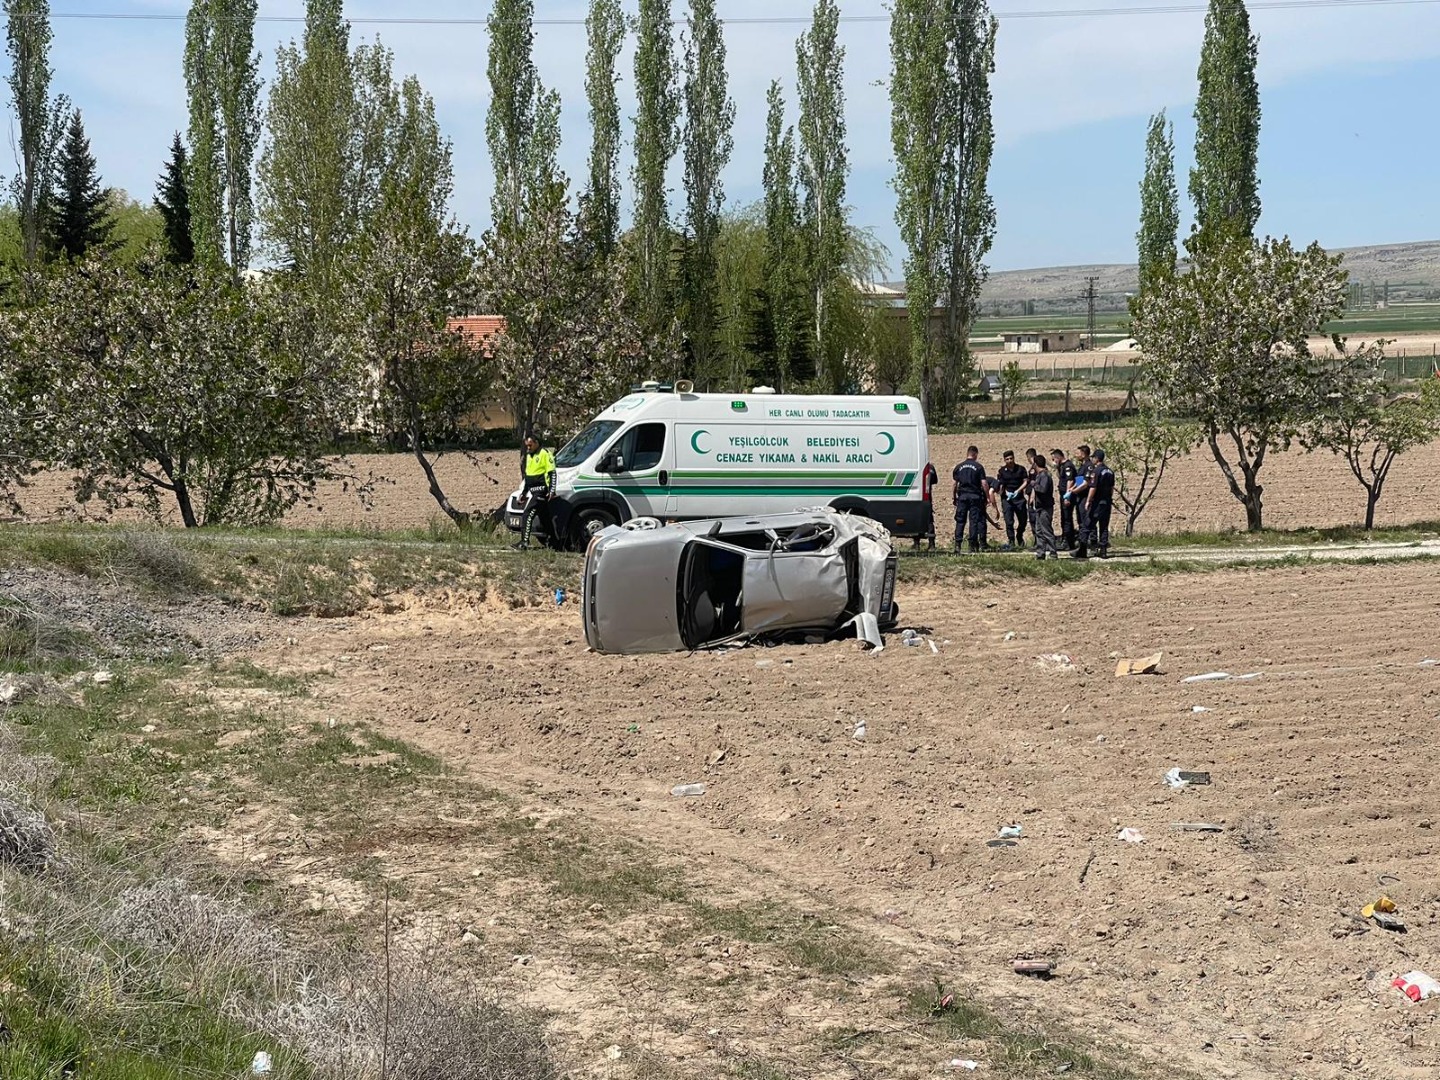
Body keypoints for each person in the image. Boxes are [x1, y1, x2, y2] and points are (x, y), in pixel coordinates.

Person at [516, 433, 556, 550]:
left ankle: (524, 542)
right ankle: (554, 542)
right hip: (533, 491)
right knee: (545, 519)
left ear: (536, 443)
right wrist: (523, 493)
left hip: (542, 491)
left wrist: (552, 490)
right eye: (527, 446)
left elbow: (552, 473)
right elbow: (529, 477)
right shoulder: (529, 456)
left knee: (527, 514)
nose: (528, 448)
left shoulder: (545, 453)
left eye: (530, 445)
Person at [952, 446, 987, 554]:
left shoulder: (959, 467)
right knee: (973, 522)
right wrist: (987, 497)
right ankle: (972, 546)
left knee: (960, 521)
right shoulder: (979, 467)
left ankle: (958, 545)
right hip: (975, 497)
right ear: (975, 454)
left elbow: (954, 484)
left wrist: (954, 497)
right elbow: (984, 483)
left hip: (962, 497)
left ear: (967, 453)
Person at [1084, 447, 1116, 559]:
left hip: (1097, 501)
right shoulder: (1110, 471)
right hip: (1107, 501)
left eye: (1093, 457)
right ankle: (1103, 550)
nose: (1092, 459)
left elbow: (1093, 487)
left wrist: (1088, 500)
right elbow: (1112, 488)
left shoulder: (1095, 471)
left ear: (1097, 459)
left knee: (1088, 524)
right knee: (1104, 525)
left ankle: (1082, 549)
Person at [994, 450, 1029, 551]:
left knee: (1023, 520)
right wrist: (1004, 492)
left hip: (1019, 498)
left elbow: (1025, 481)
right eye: (1007, 459)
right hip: (1007, 499)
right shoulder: (1002, 471)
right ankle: (1011, 540)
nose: (1009, 461)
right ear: (1004, 460)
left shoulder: (1021, 469)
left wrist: (1018, 491)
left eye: (1011, 458)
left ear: (1014, 458)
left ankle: (1019, 535)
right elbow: (1001, 485)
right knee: (1009, 521)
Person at [1030, 454, 1058, 560]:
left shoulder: (1045, 476)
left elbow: (1043, 489)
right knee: (1039, 531)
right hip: (1039, 507)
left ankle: (1053, 553)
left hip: (1045, 508)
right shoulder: (1039, 475)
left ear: (1036, 464)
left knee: (1046, 530)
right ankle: (1040, 552)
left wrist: (1034, 485)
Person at [1067, 444, 1093, 559]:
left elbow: (1086, 483)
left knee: (1086, 522)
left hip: (1085, 498)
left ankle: (1086, 548)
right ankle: (1082, 548)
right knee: (1081, 522)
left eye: (1078, 453)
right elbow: (1079, 481)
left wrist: (1074, 491)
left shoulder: (1089, 466)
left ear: (1083, 454)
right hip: (1079, 498)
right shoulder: (1081, 467)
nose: (1076, 455)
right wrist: (1071, 489)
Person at [1054, 448, 1078, 551]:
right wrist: (1056, 467)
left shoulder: (1068, 466)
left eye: (1054, 459)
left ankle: (1069, 542)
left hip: (1067, 495)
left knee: (1067, 519)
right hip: (1063, 494)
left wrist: (1067, 495)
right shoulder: (1062, 466)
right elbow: (1060, 477)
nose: (1054, 461)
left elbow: (1070, 480)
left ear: (1058, 457)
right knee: (1064, 518)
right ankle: (1066, 540)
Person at [914, 462, 939, 550]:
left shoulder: (916, 466)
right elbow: (935, 480)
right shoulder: (930, 467)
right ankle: (932, 544)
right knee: (929, 521)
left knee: (916, 519)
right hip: (927, 497)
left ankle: (917, 544)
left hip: (917, 497)